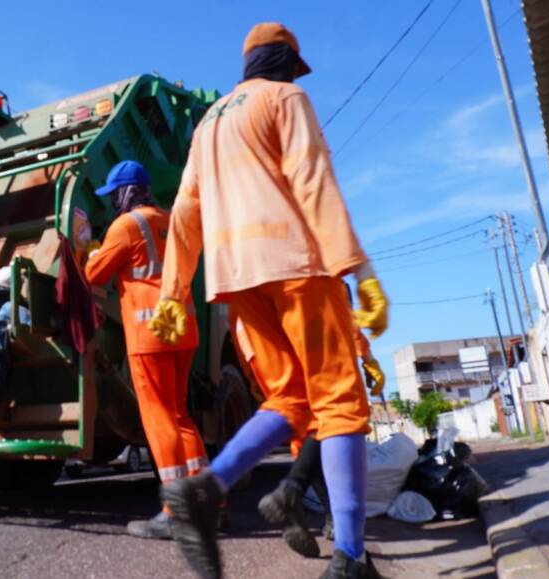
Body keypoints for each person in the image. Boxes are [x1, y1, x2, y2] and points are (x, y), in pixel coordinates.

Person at [148, 22, 389, 579]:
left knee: (290, 399)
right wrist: (360, 269)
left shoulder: (208, 122)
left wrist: (174, 291)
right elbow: (313, 180)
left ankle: (206, 487)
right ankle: (350, 557)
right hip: (298, 264)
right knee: (339, 404)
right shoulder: (287, 98)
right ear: (284, 62)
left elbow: (186, 210)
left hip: (236, 279)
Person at [84, 160, 207, 540]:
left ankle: (175, 512)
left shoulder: (125, 226)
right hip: (182, 329)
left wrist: (89, 251)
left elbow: (93, 275)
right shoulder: (172, 221)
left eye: (114, 195)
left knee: (159, 421)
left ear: (127, 192)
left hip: (148, 333)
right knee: (180, 415)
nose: (112, 203)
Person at [253, 301, 386, 558]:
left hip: (274, 356)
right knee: (335, 426)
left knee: (306, 441)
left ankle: (307, 510)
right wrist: (368, 358)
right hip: (318, 364)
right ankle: (296, 496)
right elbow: (342, 317)